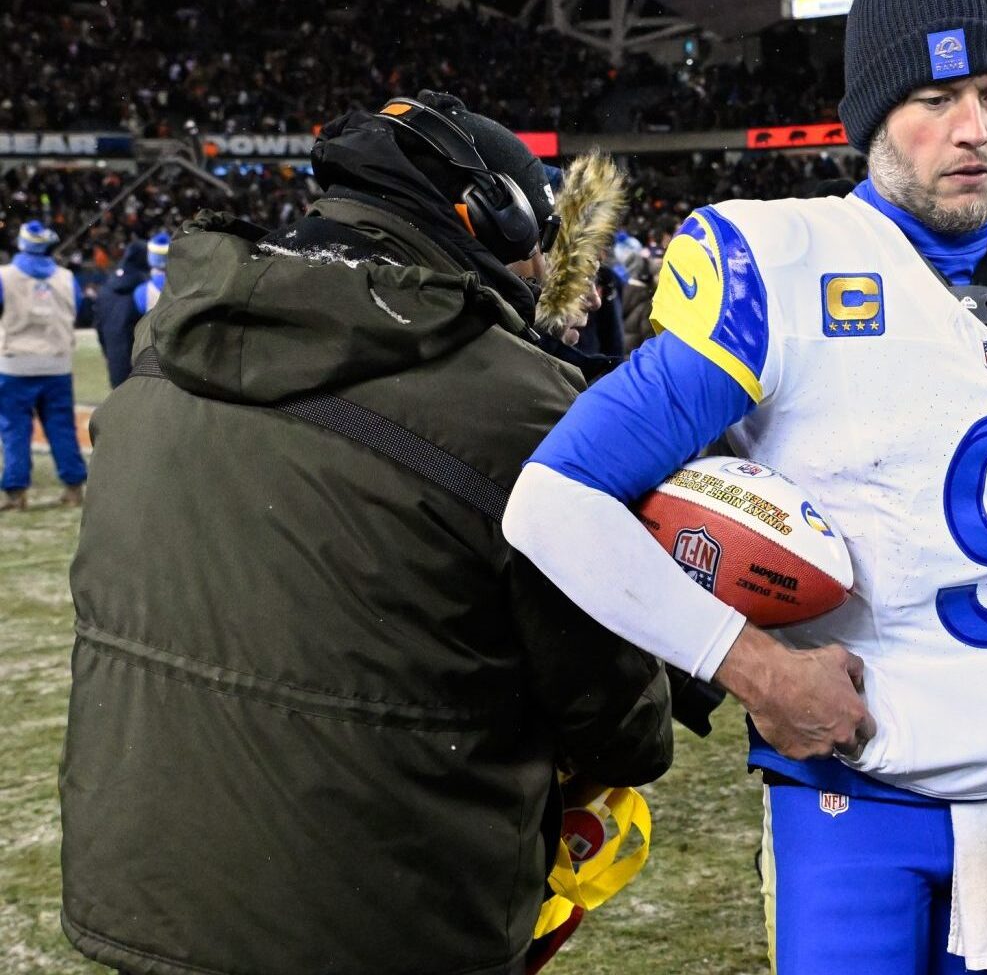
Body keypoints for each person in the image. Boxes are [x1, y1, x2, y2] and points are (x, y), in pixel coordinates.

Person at [503, 0, 987, 971]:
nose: (973, 128)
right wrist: (754, 668)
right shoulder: (782, 269)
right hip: (858, 807)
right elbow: (552, 501)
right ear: (872, 117)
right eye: (933, 98)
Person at [60, 92, 676, 975]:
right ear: (489, 214)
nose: (544, 263)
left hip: (144, 900)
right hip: (381, 921)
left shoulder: (168, 340)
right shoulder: (516, 402)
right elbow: (622, 730)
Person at [0, 220, 91, 511]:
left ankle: (16, 494)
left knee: (15, 430)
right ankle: (74, 487)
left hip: (15, 364)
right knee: (62, 428)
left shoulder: (5, 277)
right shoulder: (66, 277)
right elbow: (77, 308)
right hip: (57, 364)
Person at [94, 237, 150, 389]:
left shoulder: (105, 289)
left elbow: (99, 327)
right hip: (144, 367)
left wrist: (110, 355)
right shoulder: (145, 289)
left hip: (115, 363)